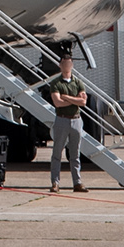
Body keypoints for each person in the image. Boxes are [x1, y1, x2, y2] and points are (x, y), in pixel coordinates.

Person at [44, 50, 90, 192]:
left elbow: (83, 102)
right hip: (62, 120)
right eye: (64, 63)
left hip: (76, 120)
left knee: (75, 154)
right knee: (57, 152)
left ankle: (77, 182)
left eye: (69, 63)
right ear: (60, 65)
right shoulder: (55, 83)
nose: (67, 65)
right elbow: (57, 103)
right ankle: (55, 182)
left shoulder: (78, 82)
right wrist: (74, 100)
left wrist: (67, 97)